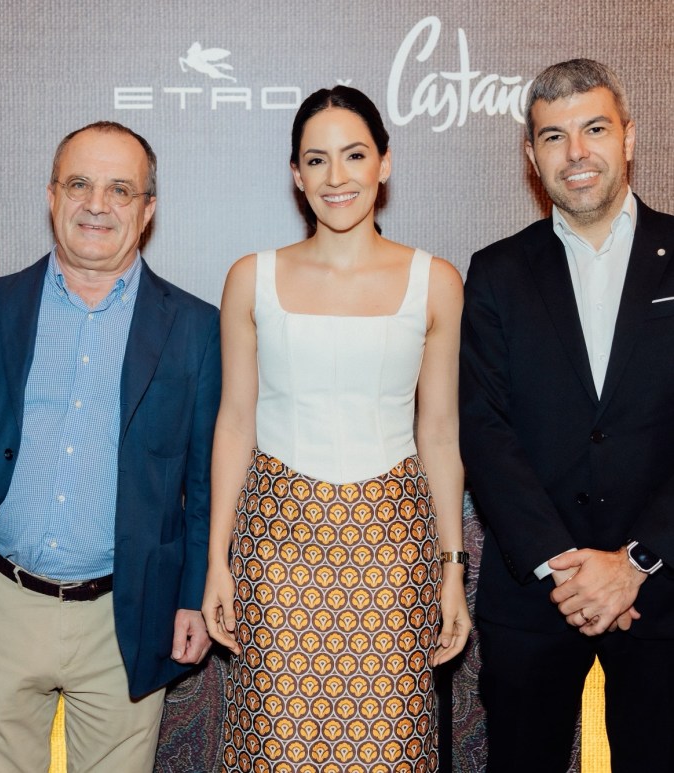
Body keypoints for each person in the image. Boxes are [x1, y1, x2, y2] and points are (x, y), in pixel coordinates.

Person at [202, 86, 470, 773]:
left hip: (393, 551)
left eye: (354, 155)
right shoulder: (251, 278)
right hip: (275, 547)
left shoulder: (436, 281)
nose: (336, 176)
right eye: (316, 160)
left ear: (385, 162)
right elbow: (234, 423)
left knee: (389, 747)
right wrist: (217, 560)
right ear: (296, 174)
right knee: (275, 746)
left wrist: (451, 569)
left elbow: (440, 435)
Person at [0, 120, 221, 772]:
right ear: (52, 196)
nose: (96, 204)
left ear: (147, 209)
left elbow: (205, 483)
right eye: (79, 184)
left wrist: (193, 596)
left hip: (123, 614)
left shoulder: (196, 328)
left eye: (120, 190)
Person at [460, 59, 674, 772]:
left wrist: (636, 562)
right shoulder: (496, 272)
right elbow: (484, 429)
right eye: (554, 136)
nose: (576, 153)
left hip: (664, 592)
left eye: (594, 129)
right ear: (532, 154)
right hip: (535, 598)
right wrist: (566, 568)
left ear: (629, 137)